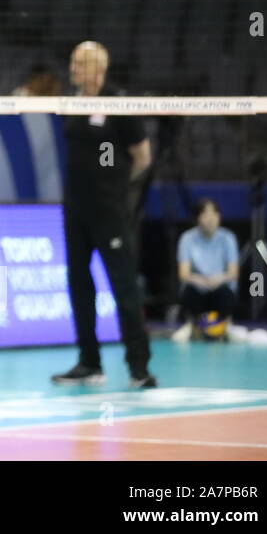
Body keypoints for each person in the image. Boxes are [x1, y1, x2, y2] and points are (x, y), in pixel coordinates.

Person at [51, 41, 157, 389]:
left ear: (98, 68)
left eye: (80, 63)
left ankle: (139, 368)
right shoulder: (71, 103)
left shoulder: (118, 104)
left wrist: (116, 188)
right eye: (73, 62)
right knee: (79, 285)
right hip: (75, 209)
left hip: (110, 211)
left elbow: (142, 156)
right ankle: (89, 362)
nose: (74, 68)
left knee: (124, 287)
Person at [172, 199, 239, 342]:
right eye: (205, 214)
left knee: (225, 294)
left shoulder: (228, 238)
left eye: (214, 214)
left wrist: (218, 279)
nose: (210, 219)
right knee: (189, 292)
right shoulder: (187, 238)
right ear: (197, 218)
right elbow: (183, 274)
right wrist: (201, 280)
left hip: (219, 286)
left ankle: (226, 326)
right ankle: (191, 326)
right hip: (198, 287)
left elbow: (233, 273)